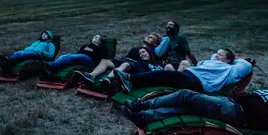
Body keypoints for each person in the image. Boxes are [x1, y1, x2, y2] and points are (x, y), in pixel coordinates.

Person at [118, 77, 268, 131]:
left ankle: (140, 106)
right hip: (230, 104)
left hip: (236, 113)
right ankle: (145, 118)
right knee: (187, 107)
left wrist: (251, 103)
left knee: (186, 95)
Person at [106, 48, 253, 95]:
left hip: (198, 84)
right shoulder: (213, 62)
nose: (217, 55)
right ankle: (131, 82)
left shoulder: (231, 69)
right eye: (218, 53)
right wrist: (221, 56)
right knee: (163, 77)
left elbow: (247, 65)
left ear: (228, 60)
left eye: (221, 54)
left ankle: (130, 79)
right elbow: (214, 56)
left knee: (163, 75)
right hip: (190, 75)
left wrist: (235, 58)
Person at [74, 40, 163, 86]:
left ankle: (108, 79)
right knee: (104, 61)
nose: (142, 54)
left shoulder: (153, 63)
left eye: (144, 52)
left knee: (125, 65)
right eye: (140, 53)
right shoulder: (138, 57)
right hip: (126, 60)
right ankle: (91, 76)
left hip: (131, 65)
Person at [43, 34, 108, 75]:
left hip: (90, 61)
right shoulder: (86, 45)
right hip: (81, 58)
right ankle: (53, 70)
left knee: (73, 57)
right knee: (65, 56)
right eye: (95, 36)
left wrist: (91, 50)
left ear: (100, 42)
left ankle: (49, 65)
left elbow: (99, 57)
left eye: (97, 37)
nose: (95, 37)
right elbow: (79, 51)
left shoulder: (100, 48)